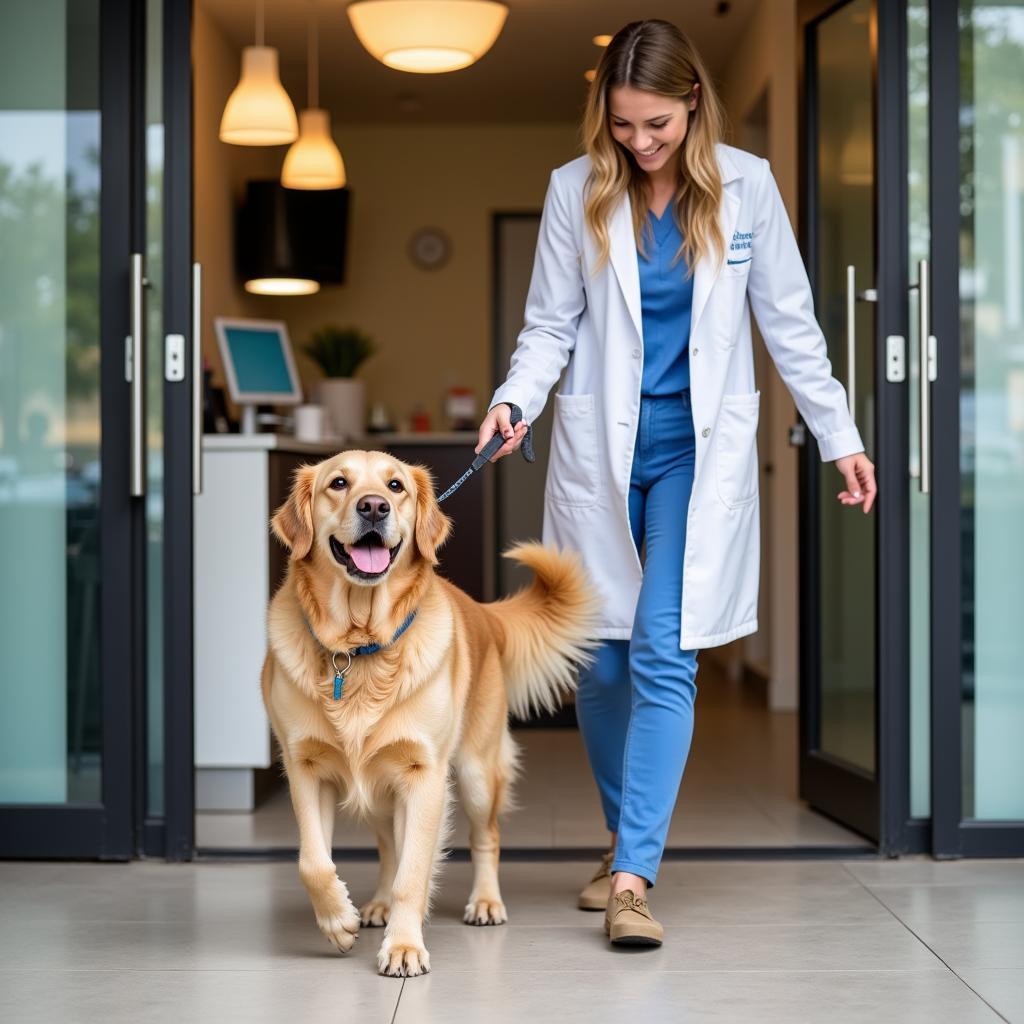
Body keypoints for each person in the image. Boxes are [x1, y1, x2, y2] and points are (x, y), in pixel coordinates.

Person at [475, 19, 877, 949]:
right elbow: (549, 325)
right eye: (622, 126)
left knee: (664, 649)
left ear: (692, 101)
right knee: (604, 661)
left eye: (655, 124)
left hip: (699, 456)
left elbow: (791, 324)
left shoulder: (747, 186)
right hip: (601, 453)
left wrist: (839, 437)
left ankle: (630, 877)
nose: (640, 144)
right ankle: (627, 835)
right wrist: (514, 401)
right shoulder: (574, 190)